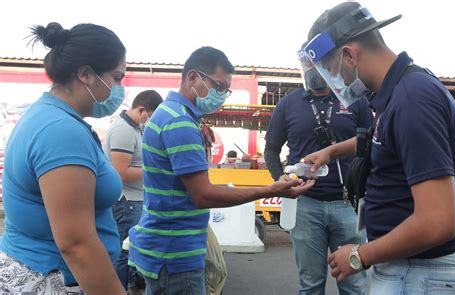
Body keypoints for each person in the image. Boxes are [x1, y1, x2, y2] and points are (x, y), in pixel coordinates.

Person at [303, 2, 455, 294]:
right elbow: (386, 141)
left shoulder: (412, 101)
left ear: (348, 55)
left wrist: (359, 255)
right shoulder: (401, 92)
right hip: (412, 270)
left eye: (331, 69)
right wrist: (331, 152)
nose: (335, 81)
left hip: (419, 273)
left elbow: (438, 221)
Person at [128, 46, 314, 295]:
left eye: (225, 90)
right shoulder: (179, 123)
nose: (221, 96)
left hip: (163, 249)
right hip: (175, 255)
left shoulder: (167, 114)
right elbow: (203, 195)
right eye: (217, 87)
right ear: (192, 77)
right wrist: (271, 189)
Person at [0, 22, 127, 294]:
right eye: (117, 78)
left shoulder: (49, 116)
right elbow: (77, 244)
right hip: (52, 280)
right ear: (86, 75)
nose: (120, 88)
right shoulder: (61, 131)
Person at [264, 46, 371, 294]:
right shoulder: (288, 103)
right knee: (310, 284)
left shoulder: (355, 100)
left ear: (331, 64)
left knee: (354, 284)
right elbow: (271, 149)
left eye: (318, 64)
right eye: (308, 65)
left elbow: (372, 144)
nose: (313, 71)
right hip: (305, 206)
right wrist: (278, 176)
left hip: (350, 206)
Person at [103, 90, 162, 292]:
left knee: (131, 250)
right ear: (142, 110)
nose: (152, 121)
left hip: (135, 198)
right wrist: (156, 170)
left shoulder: (135, 129)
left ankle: (130, 286)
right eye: (152, 116)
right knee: (124, 251)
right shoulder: (123, 131)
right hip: (126, 200)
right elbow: (121, 172)